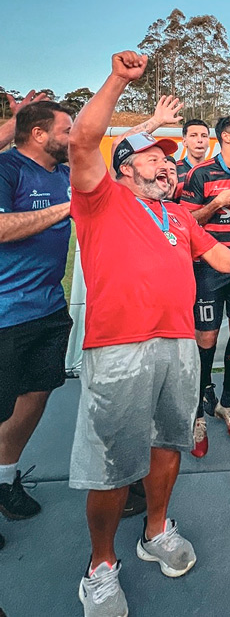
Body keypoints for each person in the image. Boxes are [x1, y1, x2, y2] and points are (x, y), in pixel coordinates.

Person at [68, 51, 230, 617]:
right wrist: (119, 81)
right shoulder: (100, 199)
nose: (167, 165)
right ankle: (100, 566)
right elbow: (84, 138)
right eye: (155, 157)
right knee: (110, 464)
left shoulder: (176, 214)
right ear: (124, 166)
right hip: (118, 349)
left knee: (167, 445)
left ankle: (156, 531)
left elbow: (213, 248)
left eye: (169, 160)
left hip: (177, 345)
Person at [0, 101, 74, 552]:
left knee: (37, 394)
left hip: (47, 307)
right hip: (5, 312)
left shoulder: (61, 172)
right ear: (40, 134)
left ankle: (5, 478)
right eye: (67, 129)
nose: (74, 136)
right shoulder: (8, 168)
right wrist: (65, 210)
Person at [180, 115, 230, 455]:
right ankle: (198, 413)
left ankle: (227, 404)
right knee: (207, 338)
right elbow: (185, 222)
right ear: (225, 136)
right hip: (208, 269)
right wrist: (216, 204)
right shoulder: (201, 174)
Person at [176, 119, 211, 185]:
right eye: (193, 135)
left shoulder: (216, 171)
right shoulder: (175, 170)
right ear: (184, 142)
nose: (200, 140)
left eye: (204, 136)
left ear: (208, 142)